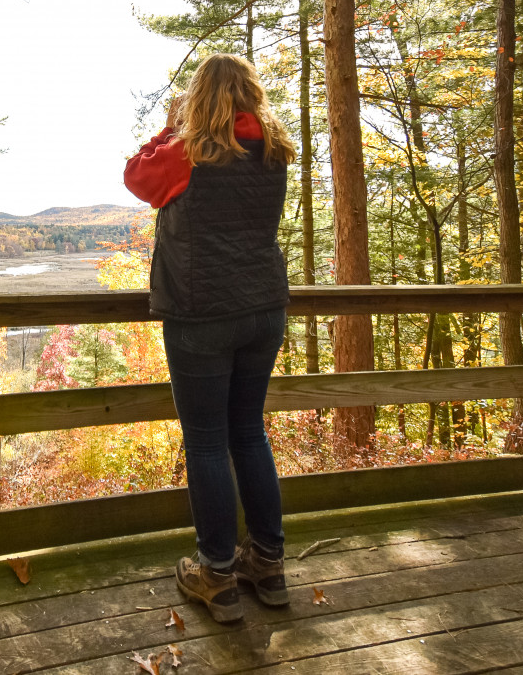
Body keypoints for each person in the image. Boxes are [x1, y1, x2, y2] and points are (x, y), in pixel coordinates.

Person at [123, 53, 296, 623]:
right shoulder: (274, 152)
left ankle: (216, 575)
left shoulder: (186, 153)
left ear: (199, 98)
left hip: (201, 314)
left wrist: (172, 127)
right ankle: (267, 564)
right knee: (249, 432)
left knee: (204, 442)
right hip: (263, 308)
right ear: (251, 94)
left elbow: (135, 176)